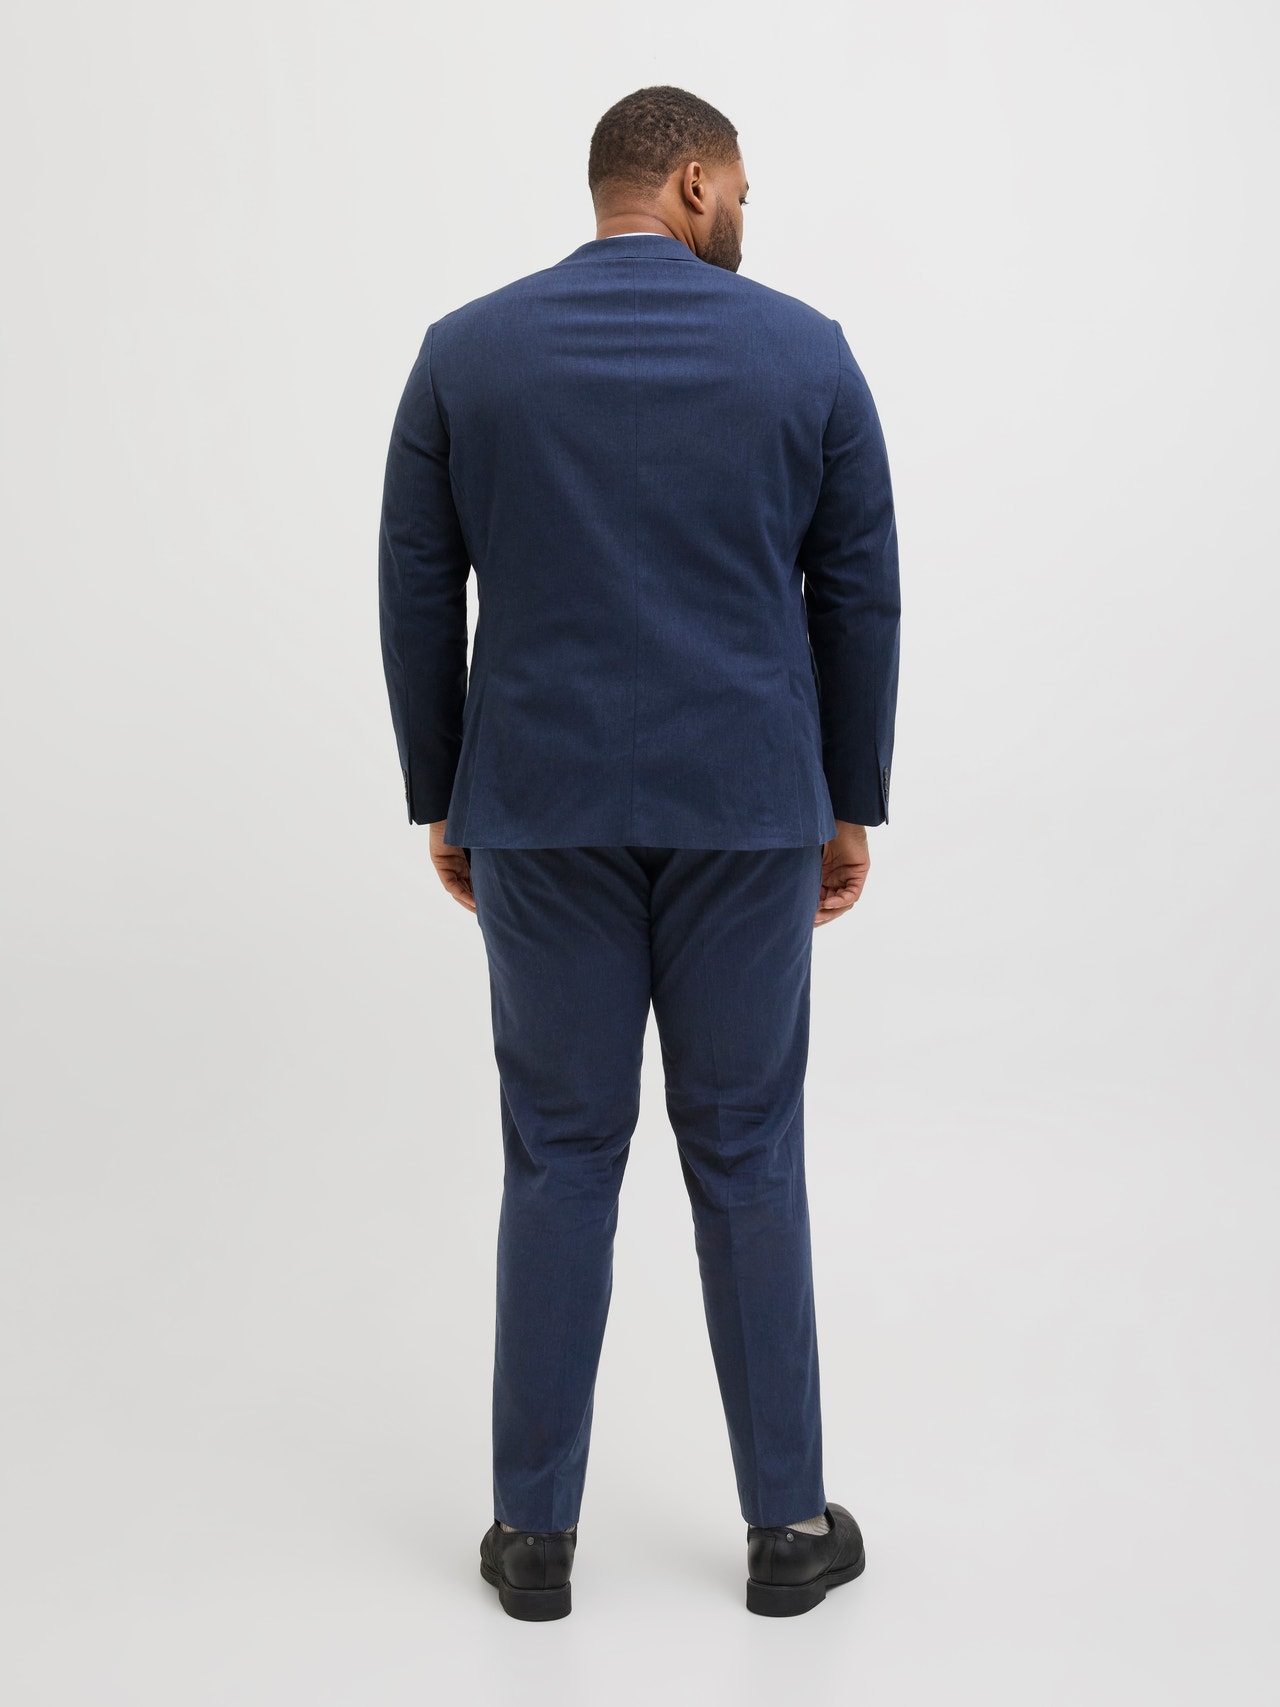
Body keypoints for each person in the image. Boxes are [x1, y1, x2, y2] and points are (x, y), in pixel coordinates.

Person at [378, 84, 900, 1620]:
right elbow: (857, 591)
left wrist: (446, 793)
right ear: (688, 183)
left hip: (540, 805)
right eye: (739, 189)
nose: (743, 216)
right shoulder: (805, 352)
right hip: (747, 803)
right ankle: (788, 1532)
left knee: (560, 1154)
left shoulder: (466, 354)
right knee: (747, 1154)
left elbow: (416, 586)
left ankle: (532, 1540)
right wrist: (847, 799)